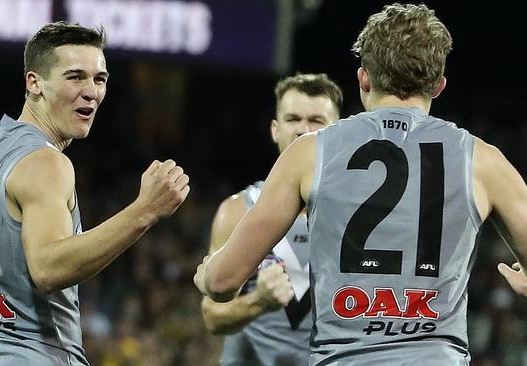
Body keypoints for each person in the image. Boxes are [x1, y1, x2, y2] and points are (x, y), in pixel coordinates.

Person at [194, 3, 527, 365]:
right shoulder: (484, 161)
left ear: (363, 78)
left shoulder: (308, 153)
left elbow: (223, 283)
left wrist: (208, 274)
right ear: (439, 85)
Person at [0, 21, 189, 365]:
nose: (92, 91)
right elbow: (48, 269)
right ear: (34, 82)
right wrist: (144, 210)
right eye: (75, 76)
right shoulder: (46, 163)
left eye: (100, 79)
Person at [201, 73, 343, 365]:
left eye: (317, 122)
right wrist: (257, 302)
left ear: (339, 132)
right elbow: (212, 317)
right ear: (275, 130)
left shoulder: (359, 219)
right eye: (293, 119)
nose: (304, 130)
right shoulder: (238, 211)